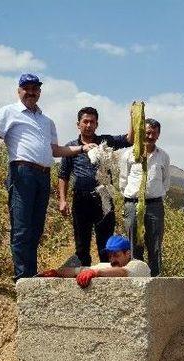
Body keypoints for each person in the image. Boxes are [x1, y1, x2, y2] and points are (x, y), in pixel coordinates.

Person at [0, 74, 96, 281]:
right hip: (22, 172)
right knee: (22, 226)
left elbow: (55, 150)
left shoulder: (46, 120)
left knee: (36, 227)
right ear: (19, 90)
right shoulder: (8, 112)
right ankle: (22, 276)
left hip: (43, 175)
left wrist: (82, 148)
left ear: (39, 92)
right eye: (27, 88)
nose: (31, 92)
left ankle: (30, 275)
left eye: (35, 89)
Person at [58, 107, 131, 266]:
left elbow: (129, 139)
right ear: (78, 124)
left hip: (104, 201)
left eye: (92, 122)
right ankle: (84, 281)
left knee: (106, 245)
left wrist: (134, 116)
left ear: (97, 124)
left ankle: (107, 280)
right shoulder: (71, 147)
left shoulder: (106, 142)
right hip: (80, 200)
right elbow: (63, 175)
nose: (89, 125)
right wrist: (62, 200)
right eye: (85, 121)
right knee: (82, 245)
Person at [119, 118, 171, 277]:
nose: (150, 136)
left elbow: (166, 182)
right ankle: (137, 281)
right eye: (147, 132)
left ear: (158, 135)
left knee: (155, 246)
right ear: (141, 133)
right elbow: (123, 180)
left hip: (155, 206)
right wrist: (131, 198)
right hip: (132, 205)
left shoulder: (163, 156)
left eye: (154, 133)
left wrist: (153, 195)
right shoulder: (128, 154)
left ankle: (156, 281)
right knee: (134, 246)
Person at [41, 235, 151, 287]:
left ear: (128, 254)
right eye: (110, 256)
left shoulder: (139, 265)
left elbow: (123, 272)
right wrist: (57, 272)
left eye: (116, 255)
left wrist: (96, 272)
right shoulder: (108, 266)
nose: (112, 259)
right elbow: (78, 270)